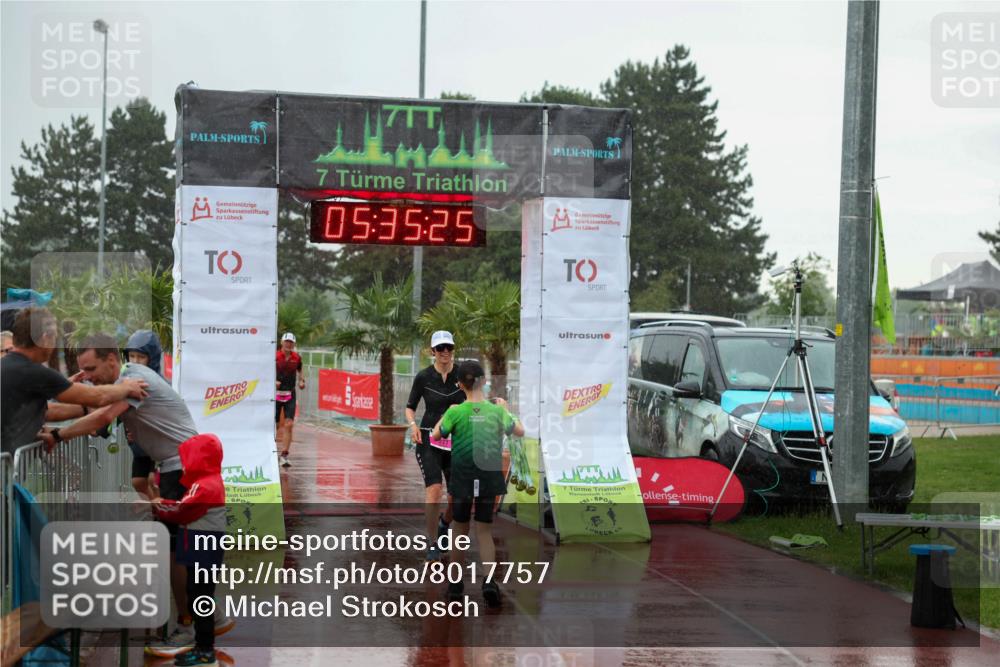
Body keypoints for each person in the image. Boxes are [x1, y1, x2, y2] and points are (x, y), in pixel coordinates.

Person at [39, 333, 233, 655]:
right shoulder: (124, 380)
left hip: (181, 470)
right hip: (177, 468)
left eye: (91, 368)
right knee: (181, 552)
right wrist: (67, 390)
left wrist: (57, 436)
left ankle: (191, 627)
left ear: (112, 360)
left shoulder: (134, 381)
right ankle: (206, 619)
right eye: (83, 370)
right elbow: (82, 406)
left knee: (178, 553)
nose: (88, 376)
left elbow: (101, 417)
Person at [432, 360, 524, 608]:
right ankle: (489, 582)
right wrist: (508, 409)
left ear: (459, 384)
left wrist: (445, 414)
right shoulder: (497, 412)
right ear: (484, 382)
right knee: (484, 532)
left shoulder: (456, 412)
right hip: (488, 477)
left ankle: (455, 585)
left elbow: (436, 434)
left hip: (462, 477)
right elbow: (520, 431)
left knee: (460, 531)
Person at [0, 307, 147, 455]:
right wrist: (126, 387)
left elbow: (44, 411)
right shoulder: (33, 373)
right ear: (45, 338)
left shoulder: (9, 367)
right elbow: (97, 397)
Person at [151, 433, 227, 667]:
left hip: (202, 548)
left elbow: (183, 511)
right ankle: (203, 648)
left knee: (199, 596)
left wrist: (158, 507)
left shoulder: (203, 486)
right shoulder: (207, 482)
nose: (184, 463)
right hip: (204, 547)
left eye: (187, 458)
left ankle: (205, 652)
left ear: (198, 459)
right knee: (198, 594)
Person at [405, 331, 465, 560]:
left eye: (449, 347)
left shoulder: (462, 375)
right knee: (434, 489)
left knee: (456, 497)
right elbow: (410, 406)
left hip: (457, 441)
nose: (445, 352)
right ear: (433, 352)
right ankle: (433, 543)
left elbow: (476, 398)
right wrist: (412, 425)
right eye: (440, 349)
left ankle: (443, 523)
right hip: (429, 439)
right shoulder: (423, 377)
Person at [123, 330, 164, 499]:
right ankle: (155, 512)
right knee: (138, 482)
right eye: (132, 356)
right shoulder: (128, 381)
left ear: (152, 358)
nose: (135, 362)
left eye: (141, 357)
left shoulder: (157, 384)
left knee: (153, 480)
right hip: (140, 445)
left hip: (159, 443)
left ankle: (163, 515)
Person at [275, 332, 305, 467]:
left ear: (294, 344)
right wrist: (273, 381)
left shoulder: (297, 358)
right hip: (274, 395)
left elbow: (300, 371)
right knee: (273, 426)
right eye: (286, 342)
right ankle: (269, 452)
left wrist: (302, 381)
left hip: (289, 395)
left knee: (289, 424)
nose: (288, 344)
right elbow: (265, 371)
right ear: (282, 342)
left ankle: (284, 455)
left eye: (291, 343)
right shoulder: (274, 356)